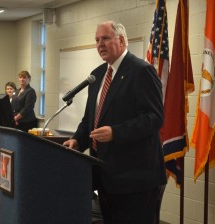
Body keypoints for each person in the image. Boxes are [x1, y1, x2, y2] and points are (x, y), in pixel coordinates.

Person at [63, 21, 167, 223]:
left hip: (135, 179)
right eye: (97, 40)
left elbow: (154, 118)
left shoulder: (141, 71)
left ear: (121, 40)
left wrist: (116, 132)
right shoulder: (98, 74)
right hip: (106, 177)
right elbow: (90, 119)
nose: (100, 44)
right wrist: (77, 140)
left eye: (105, 38)